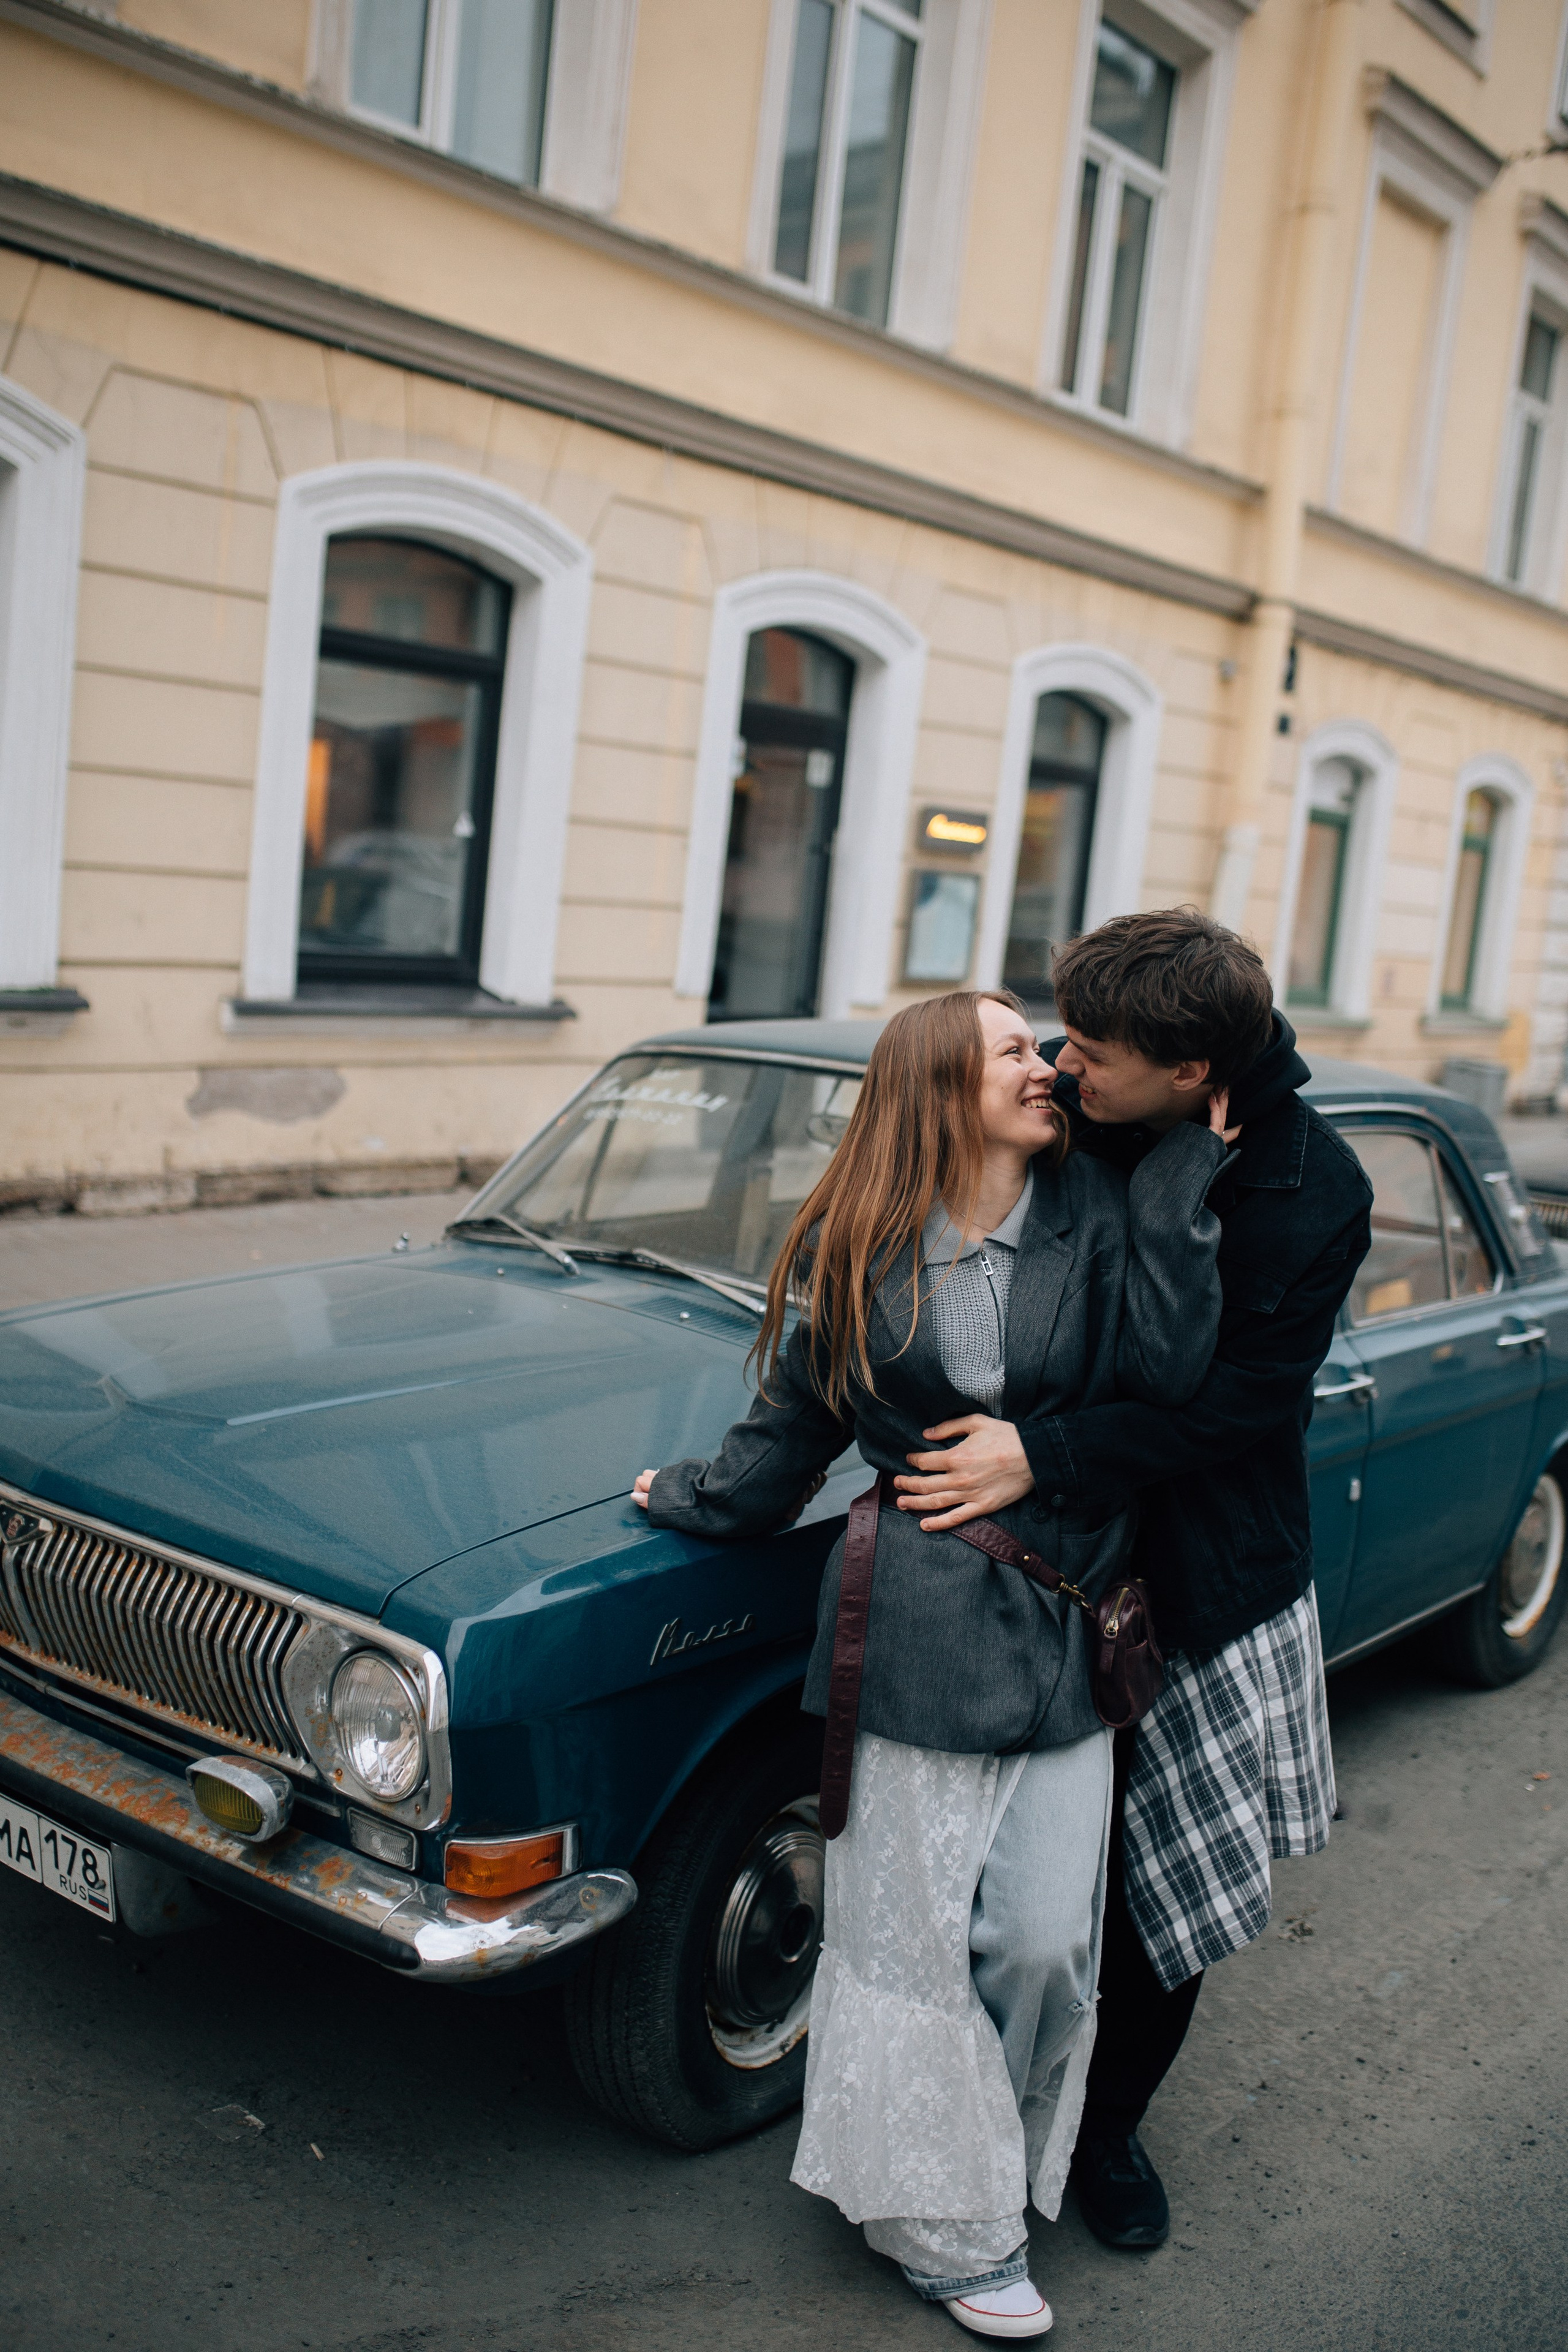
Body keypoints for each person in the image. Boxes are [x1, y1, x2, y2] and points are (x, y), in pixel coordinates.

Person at [634, 987, 1233, 2340]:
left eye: (1039, 1047)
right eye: (1014, 1053)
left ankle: (988, 2152)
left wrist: (1189, 1167)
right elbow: (788, 1431)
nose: (1047, 1068)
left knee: (1038, 1943)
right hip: (910, 1631)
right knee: (906, 1950)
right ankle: (944, 2229)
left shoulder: (1102, 1205)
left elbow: (1176, 1374)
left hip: (1066, 1621)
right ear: (939, 1092)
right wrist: (685, 1495)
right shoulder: (862, 1242)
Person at [891, 910, 1373, 2256]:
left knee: (1157, 1905)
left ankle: (1103, 2133)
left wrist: (1034, 1451)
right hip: (1050, 1560)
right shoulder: (1085, 1097)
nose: (1062, 1064)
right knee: (1028, 1890)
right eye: (1062, 1035)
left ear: (1193, 1077)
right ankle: (974, 2118)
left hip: (1207, 1577)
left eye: (1093, 1053)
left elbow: (1227, 1412)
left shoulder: (1311, 1187)